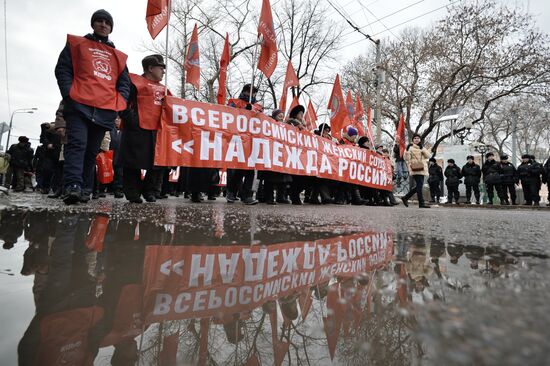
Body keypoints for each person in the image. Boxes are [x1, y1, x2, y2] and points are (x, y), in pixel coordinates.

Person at [55, 9, 130, 204]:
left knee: (91, 151)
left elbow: (124, 83)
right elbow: (62, 69)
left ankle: (86, 188)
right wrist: (69, 94)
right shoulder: (77, 44)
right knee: (77, 145)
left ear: (111, 27)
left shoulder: (118, 56)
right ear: (93, 24)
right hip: (79, 106)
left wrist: (118, 104)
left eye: (107, 22)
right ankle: (73, 186)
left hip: (104, 111)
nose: (103, 24)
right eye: (99, 21)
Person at [119, 54, 168, 203]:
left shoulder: (164, 89)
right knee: (133, 161)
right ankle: (133, 192)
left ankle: (150, 190)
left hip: (158, 130)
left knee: (158, 162)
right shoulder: (133, 82)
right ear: (151, 68)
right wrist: (132, 120)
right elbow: (123, 102)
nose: (163, 72)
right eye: (161, 68)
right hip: (137, 128)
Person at [226, 84, 261, 205]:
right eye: (252, 93)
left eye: (255, 93)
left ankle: (247, 195)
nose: (254, 95)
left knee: (250, 169)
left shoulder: (257, 106)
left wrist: (253, 111)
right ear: (245, 92)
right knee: (238, 169)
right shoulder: (234, 102)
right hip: (238, 139)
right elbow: (228, 116)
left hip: (252, 141)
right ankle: (231, 192)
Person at [258, 109, 292, 204]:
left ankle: (281, 197)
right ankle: (269, 198)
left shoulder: (286, 127)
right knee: (270, 178)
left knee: (282, 179)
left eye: (282, 115)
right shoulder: (269, 124)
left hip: (281, 155)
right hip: (270, 154)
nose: (281, 116)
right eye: (279, 115)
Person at [402, 134, 431, 208]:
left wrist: (423, 149)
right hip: (415, 168)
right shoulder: (410, 147)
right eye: (415, 138)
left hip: (422, 168)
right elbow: (406, 158)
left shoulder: (422, 147)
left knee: (419, 186)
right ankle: (421, 203)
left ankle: (406, 197)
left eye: (418, 138)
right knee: (419, 186)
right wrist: (407, 151)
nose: (417, 139)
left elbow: (428, 156)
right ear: (412, 140)